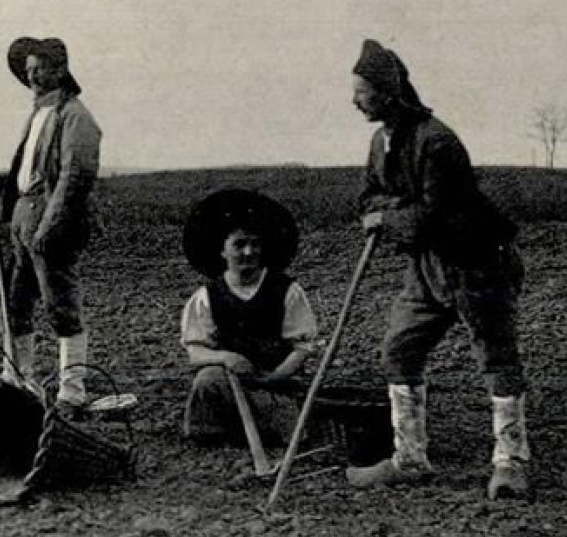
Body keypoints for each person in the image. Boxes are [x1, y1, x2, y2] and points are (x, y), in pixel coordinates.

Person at [344, 38, 532, 500]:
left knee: (496, 357)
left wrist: (388, 216)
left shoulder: (437, 141)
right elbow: (367, 198)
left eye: (362, 92)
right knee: (399, 350)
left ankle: (511, 464)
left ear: (388, 92)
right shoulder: (380, 140)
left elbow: (434, 215)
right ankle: (410, 459)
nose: (354, 101)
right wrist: (389, 211)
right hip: (426, 268)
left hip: (476, 263)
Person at [0, 36, 102, 414]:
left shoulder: (75, 116)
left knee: (60, 305)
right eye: (29, 71)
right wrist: (3, 181)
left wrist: (50, 226)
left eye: (40, 69)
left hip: (50, 220)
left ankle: (72, 392)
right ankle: (17, 380)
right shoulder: (38, 113)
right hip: (23, 217)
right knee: (15, 301)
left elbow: (75, 176)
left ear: (60, 70)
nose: (32, 77)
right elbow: (34, 169)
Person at [179, 188, 318, 448]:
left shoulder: (286, 291)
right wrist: (226, 358)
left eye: (255, 244)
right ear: (222, 251)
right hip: (232, 381)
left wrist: (278, 376)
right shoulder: (206, 297)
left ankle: (269, 428)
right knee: (207, 379)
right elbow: (195, 351)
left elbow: (303, 347)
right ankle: (214, 433)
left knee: (292, 431)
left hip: (276, 380)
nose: (248, 252)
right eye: (239, 244)